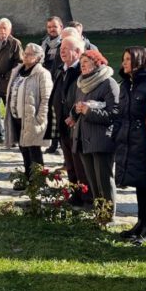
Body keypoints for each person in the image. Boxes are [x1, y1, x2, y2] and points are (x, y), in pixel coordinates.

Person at [114, 46, 146, 244]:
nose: (124, 63)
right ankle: (140, 222)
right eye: (124, 59)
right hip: (130, 141)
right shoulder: (127, 84)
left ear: (139, 61)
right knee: (139, 183)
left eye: (128, 59)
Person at [72, 50, 119, 219]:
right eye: (81, 62)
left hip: (101, 140)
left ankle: (108, 216)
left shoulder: (108, 83)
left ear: (97, 63)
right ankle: (99, 213)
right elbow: (78, 106)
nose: (82, 65)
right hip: (84, 139)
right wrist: (74, 113)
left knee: (104, 180)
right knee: (92, 181)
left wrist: (89, 111)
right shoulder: (82, 83)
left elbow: (114, 113)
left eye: (86, 61)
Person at [4, 43, 53, 185]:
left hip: (32, 119)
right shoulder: (17, 71)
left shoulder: (42, 73)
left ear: (38, 58)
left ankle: (38, 181)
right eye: (25, 53)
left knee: (34, 150)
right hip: (17, 117)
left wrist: (40, 118)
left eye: (30, 54)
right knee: (23, 149)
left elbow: (46, 98)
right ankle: (28, 178)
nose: (25, 56)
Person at [54, 35, 88, 205]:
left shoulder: (82, 71)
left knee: (80, 163)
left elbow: (83, 96)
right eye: (61, 49)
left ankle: (85, 196)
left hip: (76, 124)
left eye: (66, 49)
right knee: (69, 163)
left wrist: (74, 116)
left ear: (77, 51)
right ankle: (75, 193)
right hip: (63, 123)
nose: (62, 52)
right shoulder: (62, 69)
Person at [0, 18, 24, 143]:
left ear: (9, 29)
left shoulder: (15, 43)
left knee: (10, 109)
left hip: (7, 82)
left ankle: (13, 136)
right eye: (0, 28)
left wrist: (8, 75)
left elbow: (19, 62)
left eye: (5, 28)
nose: (2, 30)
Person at [42, 16, 65, 154]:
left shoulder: (64, 44)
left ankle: (63, 144)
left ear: (61, 27)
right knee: (50, 114)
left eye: (54, 26)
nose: (52, 29)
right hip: (46, 82)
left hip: (59, 82)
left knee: (60, 114)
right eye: (49, 27)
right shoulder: (43, 43)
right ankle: (53, 143)